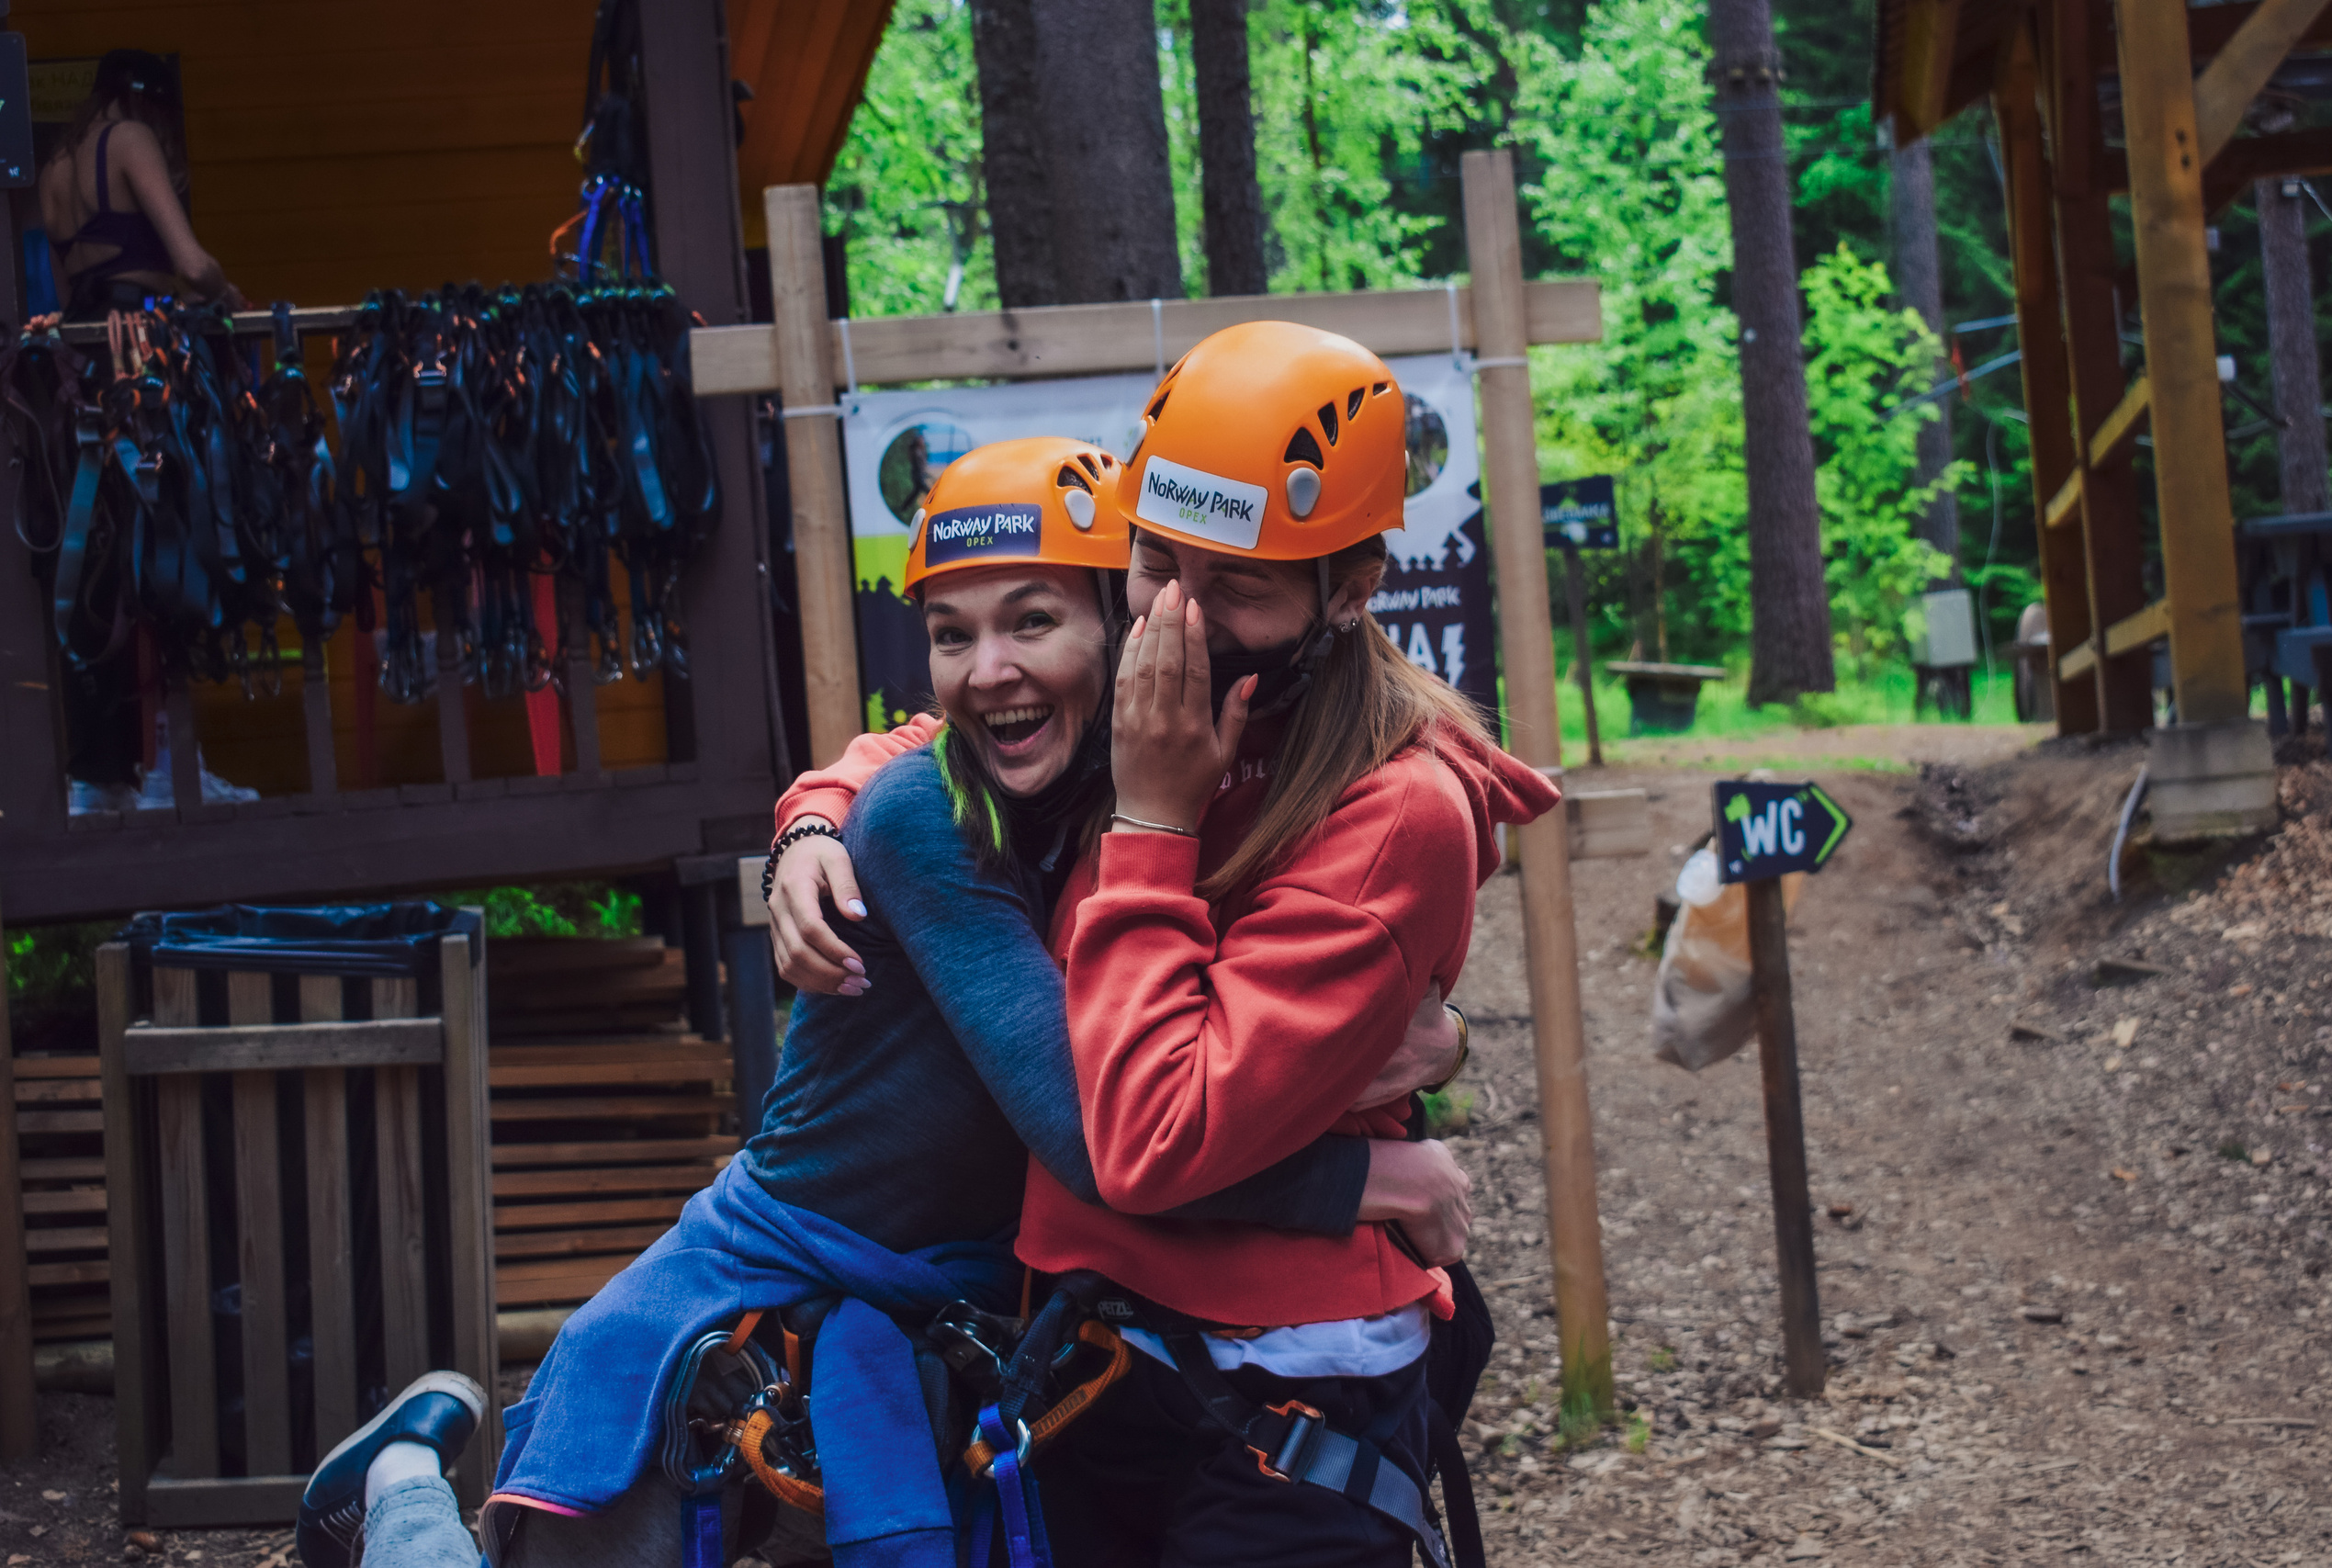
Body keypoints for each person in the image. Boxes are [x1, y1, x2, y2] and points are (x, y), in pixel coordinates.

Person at [293, 437, 1470, 1568]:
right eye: (949, 636)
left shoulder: (1143, 779)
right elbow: (1094, 1135)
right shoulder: (927, 817)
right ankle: (398, 1480)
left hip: (965, 1310)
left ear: (1128, 627)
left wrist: (1422, 1030)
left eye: (1032, 620)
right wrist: (1358, 1182)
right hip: (769, 1293)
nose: (985, 670)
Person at [766, 321, 1557, 1565]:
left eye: (1235, 585)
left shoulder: (1388, 811)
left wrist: (1148, 819)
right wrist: (817, 814)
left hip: (1289, 1394)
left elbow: (1142, 1136)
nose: (1177, 616)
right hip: (1090, 1358)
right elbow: (955, 730)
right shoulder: (1170, 695)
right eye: (1152, 563)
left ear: (1350, 588)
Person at [38, 50, 244, 321]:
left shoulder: (50, 170)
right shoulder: (130, 138)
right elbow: (194, 268)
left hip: (81, 338)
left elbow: (67, 294)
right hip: (136, 339)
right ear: (144, 101)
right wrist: (225, 293)